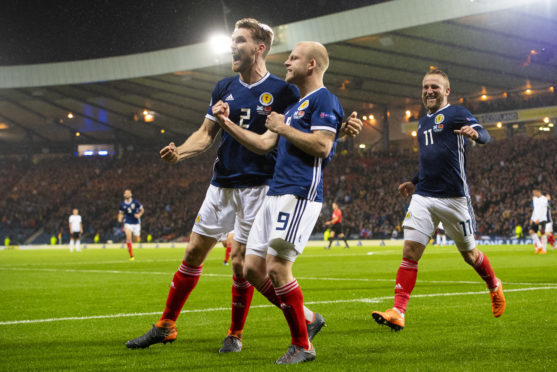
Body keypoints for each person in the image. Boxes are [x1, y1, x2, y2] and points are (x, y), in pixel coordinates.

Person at [125, 18, 362, 353]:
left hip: (260, 186)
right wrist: (180, 153)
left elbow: (303, 126)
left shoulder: (285, 91)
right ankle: (166, 325)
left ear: (258, 47)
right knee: (193, 251)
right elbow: (206, 135)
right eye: (232, 40)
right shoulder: (223, 87)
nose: (232, 47)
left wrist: (341, 131)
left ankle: (235, 334)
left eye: (239, 41)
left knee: (243, 263)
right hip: (222, 182)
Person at [213, 41, 346, 364]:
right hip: (274, 193)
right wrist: (226, 123)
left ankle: (303, 344)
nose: (286, 62)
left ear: (312, 64)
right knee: (251, 268)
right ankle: (308, 319)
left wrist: (284, 128)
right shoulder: (292, 107)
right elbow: (262, 143)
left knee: (277, 268)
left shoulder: (324, 99)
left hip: (299, 193)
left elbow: (323, 146)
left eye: (294, 58)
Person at [372, 69, 506, 331]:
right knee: (410, 252)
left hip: (454, 198)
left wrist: (476, 135)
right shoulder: (422, 123)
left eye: (435, 87)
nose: (429, 91)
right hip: (424, 196)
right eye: (425, 87)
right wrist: (414, 181)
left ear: (447, 91)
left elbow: (484, 133)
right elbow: (429, 159)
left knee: (469, 254)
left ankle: (493, 285)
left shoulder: (456, 113)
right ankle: (398, 311)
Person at [118, 189, 144, 261]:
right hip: (128, 222)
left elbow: (142, 210)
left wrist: (139, 214)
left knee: (136, 240)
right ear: (124, 195)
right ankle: (131, 256)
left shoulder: (135, 202)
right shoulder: (122, 205)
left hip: (136, 223)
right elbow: (121, 213)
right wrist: (119, 218)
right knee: (128, 237)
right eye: (126, 193)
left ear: (131, 194)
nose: (127, 194)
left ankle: (131, 243)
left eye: (128, 193)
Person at [529, 189, 548, 254]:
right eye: (533, 193)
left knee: (542, 233)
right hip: (535, 219)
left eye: (534, 192)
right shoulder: (535, 199)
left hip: (542, 219)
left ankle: (544, 250)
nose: (533, 194)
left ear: (538, 192)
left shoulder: (544, 199)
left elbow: (543, 210)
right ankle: (539, 246)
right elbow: (535, 209)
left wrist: (539, 219)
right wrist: (532, 218)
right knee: (531, 232)